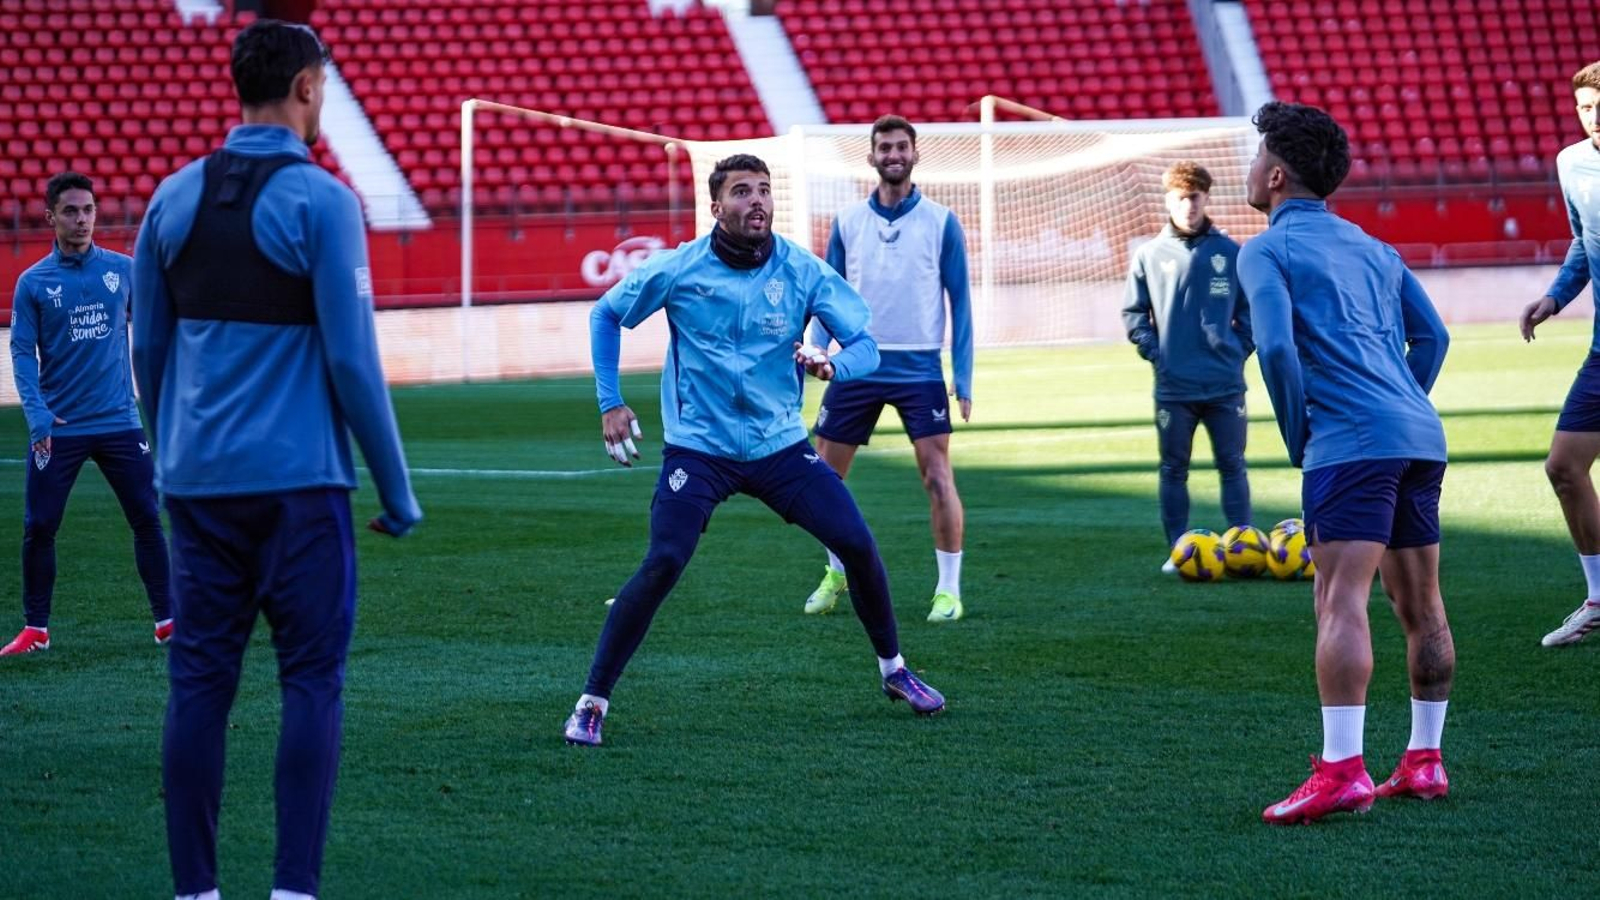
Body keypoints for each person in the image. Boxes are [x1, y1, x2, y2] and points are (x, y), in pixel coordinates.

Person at [131, 20, 421, 900]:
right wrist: (398, 491)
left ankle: (196, 890)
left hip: (199, 488)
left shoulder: (170, 198)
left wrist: (173, 457)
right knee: (310, 683)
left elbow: (149, 350)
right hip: (300, 488)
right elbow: (351, 361)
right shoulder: (323, 203)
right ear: (305, 86)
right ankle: (293, 888)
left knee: (199, 686)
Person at [565, 153, 945, 748]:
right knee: (664, 559)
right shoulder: (680, 268)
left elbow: (865, 346)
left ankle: (894, 671)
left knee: (856, 542)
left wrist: (834, 364)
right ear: (717, 208)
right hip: (700, 450)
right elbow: (605, 314)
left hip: (779, 447)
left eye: (764, 190)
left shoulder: (801, 269)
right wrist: (610, 402)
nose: (757, 200)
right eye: (742, 191)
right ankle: (592, 702)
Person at [1239, 102, 1455, 825]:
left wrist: (1300, 433)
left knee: (1339, 599)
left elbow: (1275, 348)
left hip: (1348, 446)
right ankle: (1424, 761)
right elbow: (1434, 338)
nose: (1250, 168)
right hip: (1419, 437)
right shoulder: (1375, 247)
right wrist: (1401, 406)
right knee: (1422, 605)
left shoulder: (1265, 250)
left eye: (1257, 156)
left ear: (1276, 175)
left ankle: (1342, 772)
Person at [800, 115, 974, 622]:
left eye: (901, 146)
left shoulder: (942, 222)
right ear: (871, 157)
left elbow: (961, 302)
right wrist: (817, 349)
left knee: (937, 477)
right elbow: (827, 295)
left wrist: (963, 375)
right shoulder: (848, 222)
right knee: (825, 478)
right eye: (884, 147)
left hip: (919, 367)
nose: (893, 155)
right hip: (856, 363)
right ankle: (836, 572)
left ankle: (948, 591)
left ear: (915, 154)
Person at [2, 172, 172, 656]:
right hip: (58, 427)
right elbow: (21, 353)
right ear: (50, 217)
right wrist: (37, 414)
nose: (82, 219)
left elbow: (162, 322)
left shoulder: (124, 270)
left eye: (89, 210)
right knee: (39, 526)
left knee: (147, 519)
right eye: (71, 211)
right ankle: (36, 629)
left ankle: (168, 621)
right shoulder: (33, 283)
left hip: (120, 422)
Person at [1121, 161, 1253, 572]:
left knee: (1232, 465)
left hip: (1225, 384)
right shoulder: (1149, 255)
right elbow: (1134, 314)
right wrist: (1157, 353)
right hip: (1174, 387)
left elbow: (1250, 312)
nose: (1189, 206)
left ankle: (1242, 549)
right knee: (1173, 468)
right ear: (1168, 200)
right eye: (1181, 198)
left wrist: (1237, 350)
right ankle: (1177, 552)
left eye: (1195, 198)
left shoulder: (1230, 252)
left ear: (1206, 198)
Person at [1520, 60, 1600, 648]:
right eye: (1586, 108)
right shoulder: (1571, 163)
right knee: (1564, 466)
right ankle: (1598, 599)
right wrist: (1554, 297)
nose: (1594, 118)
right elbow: (1583, 240)